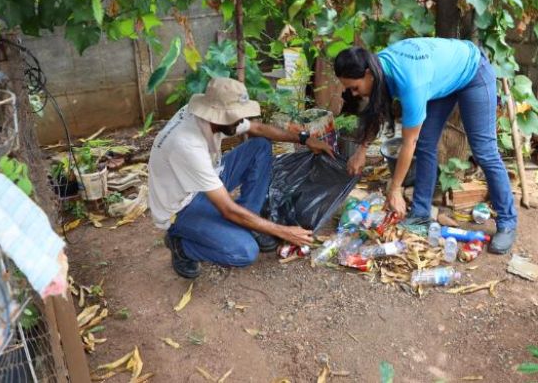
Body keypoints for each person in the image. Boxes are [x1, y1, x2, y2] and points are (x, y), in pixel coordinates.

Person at [333, 38, 518, 254]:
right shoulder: (379, 67)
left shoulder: (410, 82)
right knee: (426, 144)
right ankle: (420, 214)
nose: (354, 94)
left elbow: (408, 141)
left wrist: (395, 189)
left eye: (354, 88)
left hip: (473, 72)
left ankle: (507, 222)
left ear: (367, 74)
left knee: (484, 151)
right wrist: (362, 150)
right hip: (442, 80)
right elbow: (377, 108)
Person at [148, 77, 334, 278]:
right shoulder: (188, 144)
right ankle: (181, 245)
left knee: (260, 146)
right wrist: (284, 231)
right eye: (237, 116)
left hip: (204, 179)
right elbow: (227, 209)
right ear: (217, 116)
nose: (241, 120)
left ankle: (247, 221)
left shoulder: (211, 116)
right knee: (244, 251)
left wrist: (305, 139)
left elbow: (258, 129)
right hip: (181, 207)